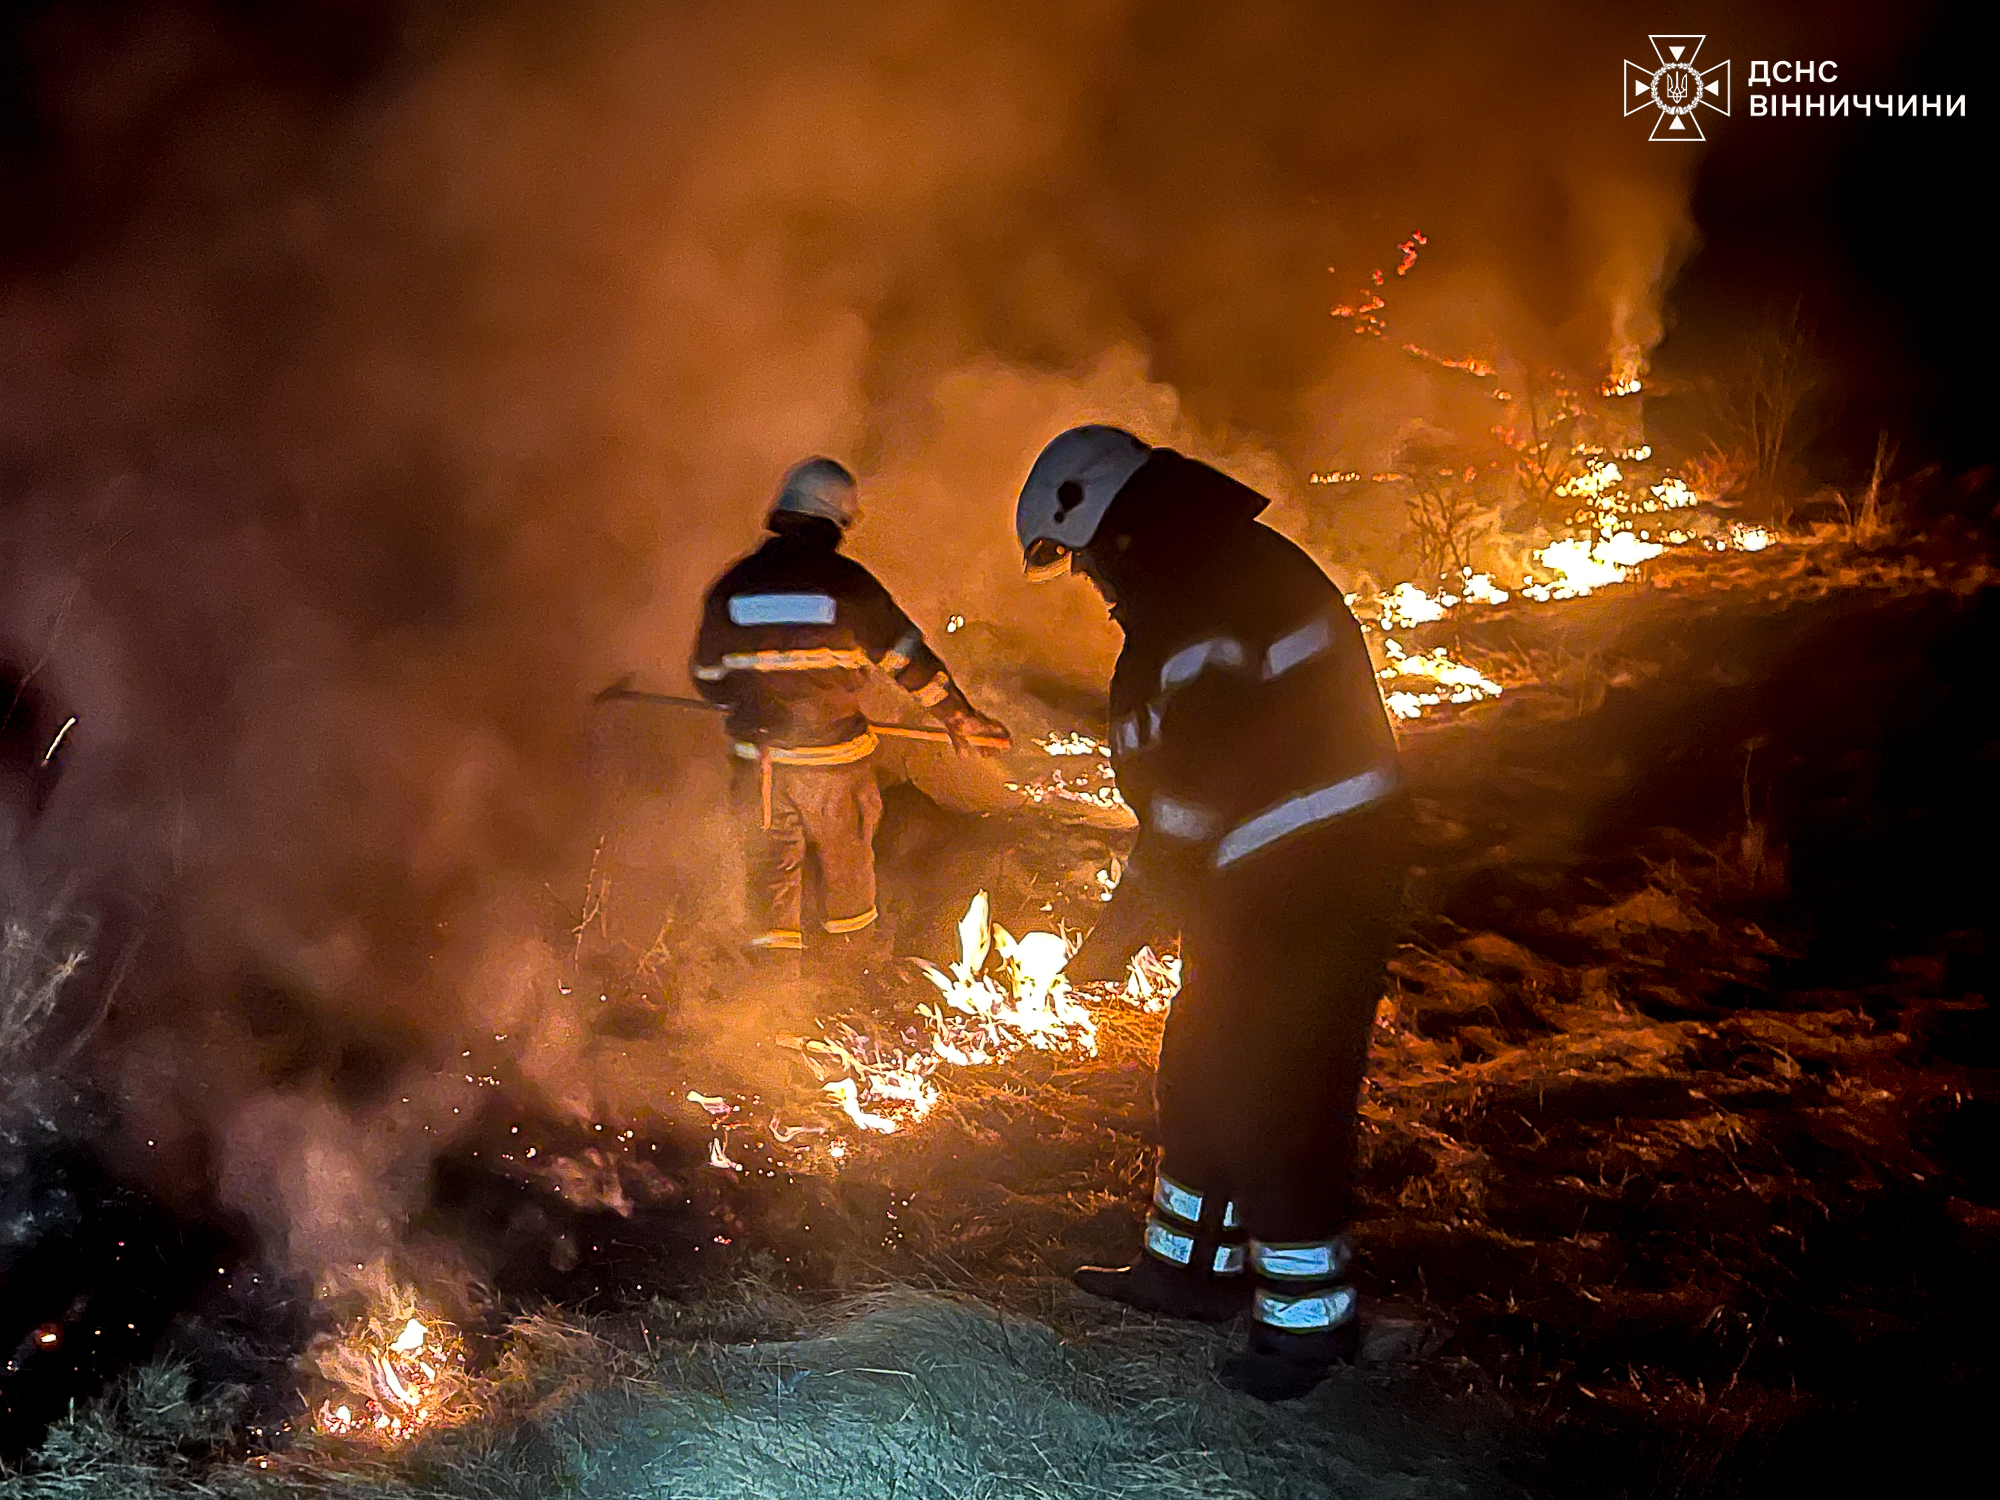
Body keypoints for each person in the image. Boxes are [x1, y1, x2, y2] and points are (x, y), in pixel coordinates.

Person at [1015, 425, 1409, 1400]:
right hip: (1258, 879)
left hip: (1313, 884)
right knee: (1200, 1067)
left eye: (1082, 557)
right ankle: (1189, 1270)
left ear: (1117, 526)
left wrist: (1116, 936)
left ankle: (1307, 1333)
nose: (1087, 580)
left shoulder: (1203, 605)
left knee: (1277, 1098)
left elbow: (1191, 800)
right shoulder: (1204, 580)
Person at [692, 457, 1009, 971]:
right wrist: (958, 717)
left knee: (771, 877)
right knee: (848, 869)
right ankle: (852, 972)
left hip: (760, 763)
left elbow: (708, 676)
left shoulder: (733, 587)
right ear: (834, 522)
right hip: (834, 761)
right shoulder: (849, 586)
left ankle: (773, 995)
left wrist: (750, 701)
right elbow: (907, 660)